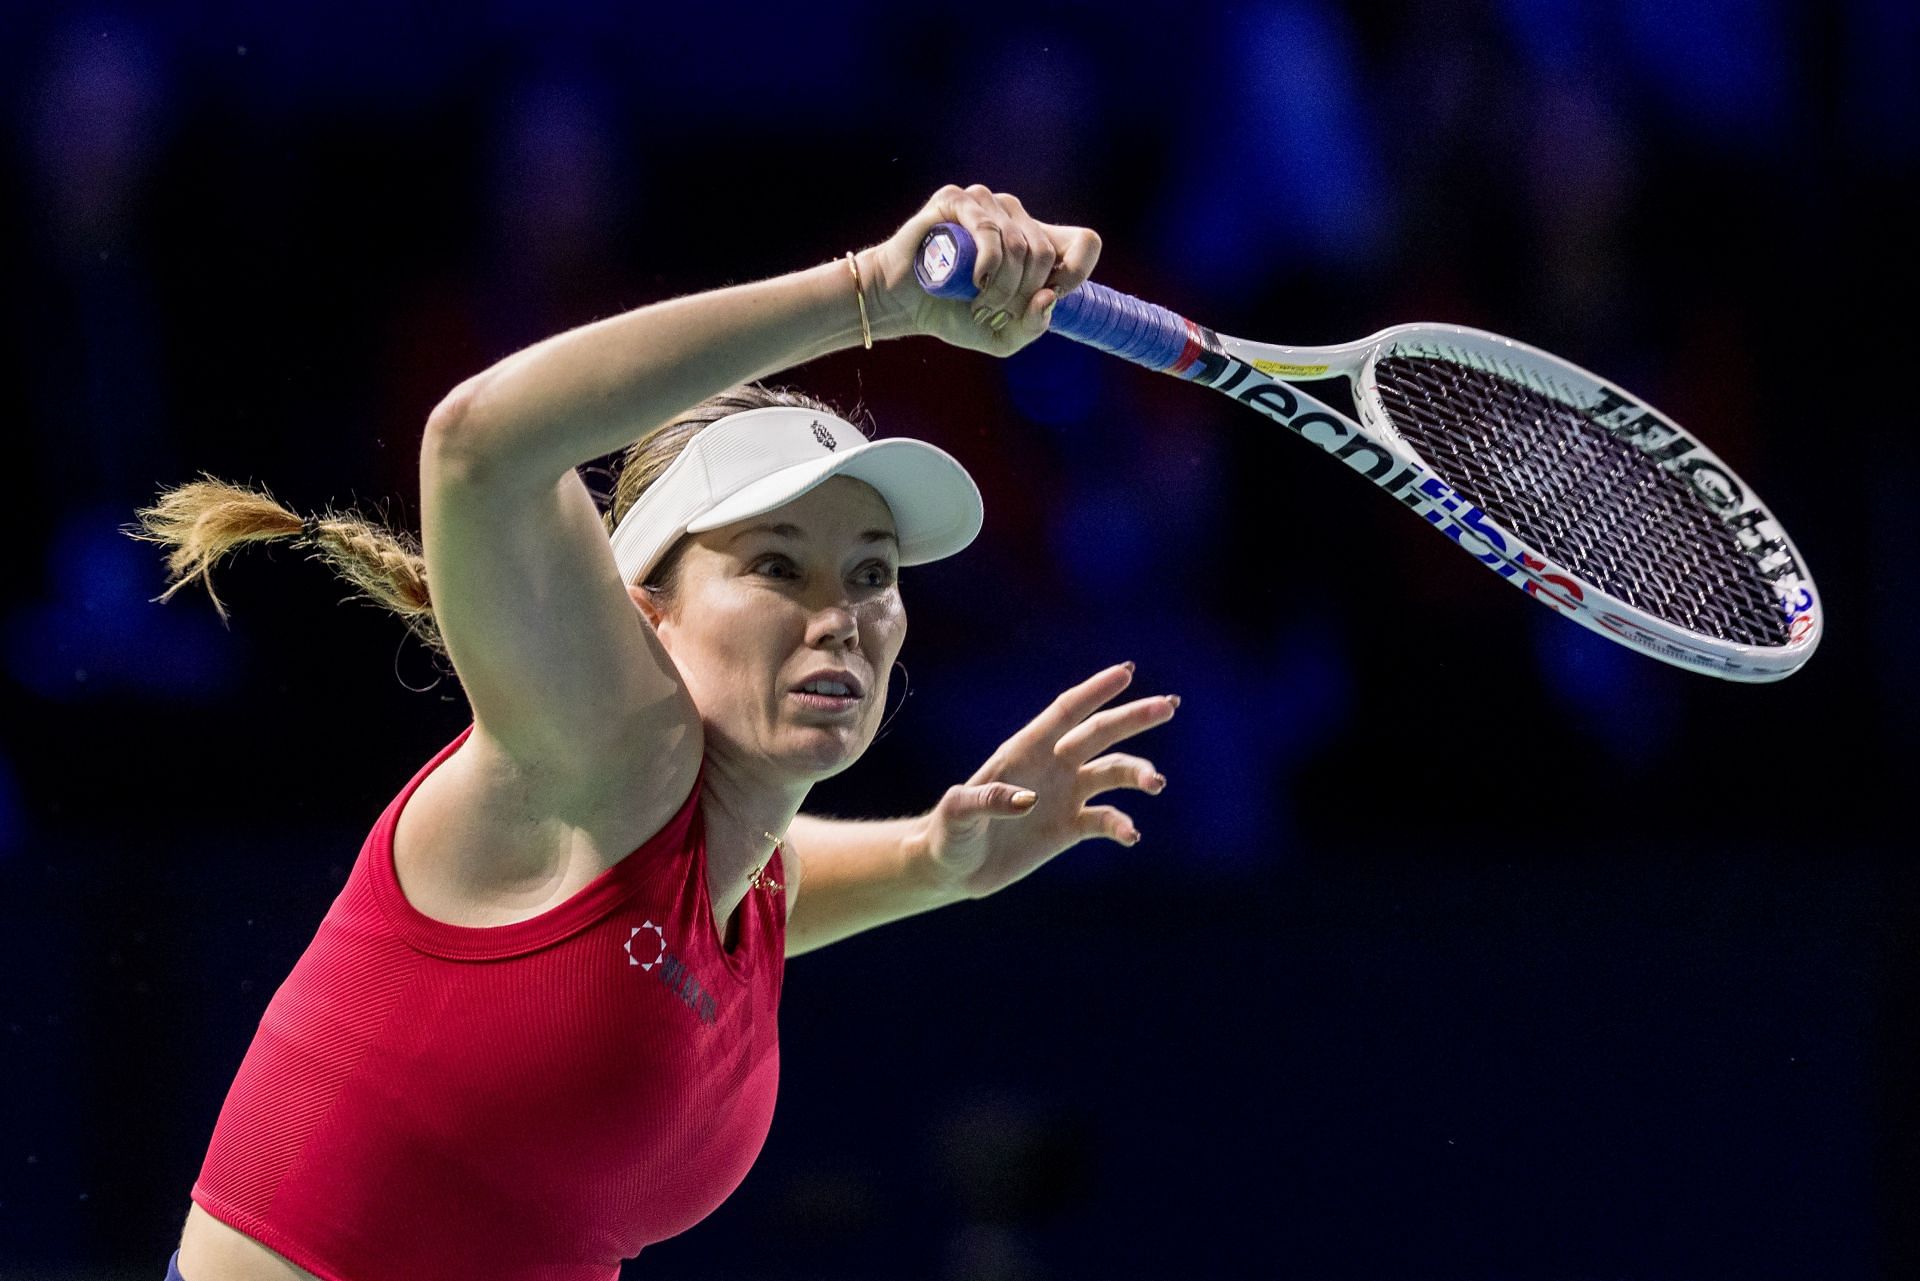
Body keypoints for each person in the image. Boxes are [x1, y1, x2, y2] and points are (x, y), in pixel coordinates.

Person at [133, 185, 1177, 1281]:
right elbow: (477, 442)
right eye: (777, 566)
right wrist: (868, 293)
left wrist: (932, 860)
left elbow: (732, 905)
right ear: (645, 613)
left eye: (872, 572)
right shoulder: (610, 753)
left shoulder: (723, 863)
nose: (844, 617)